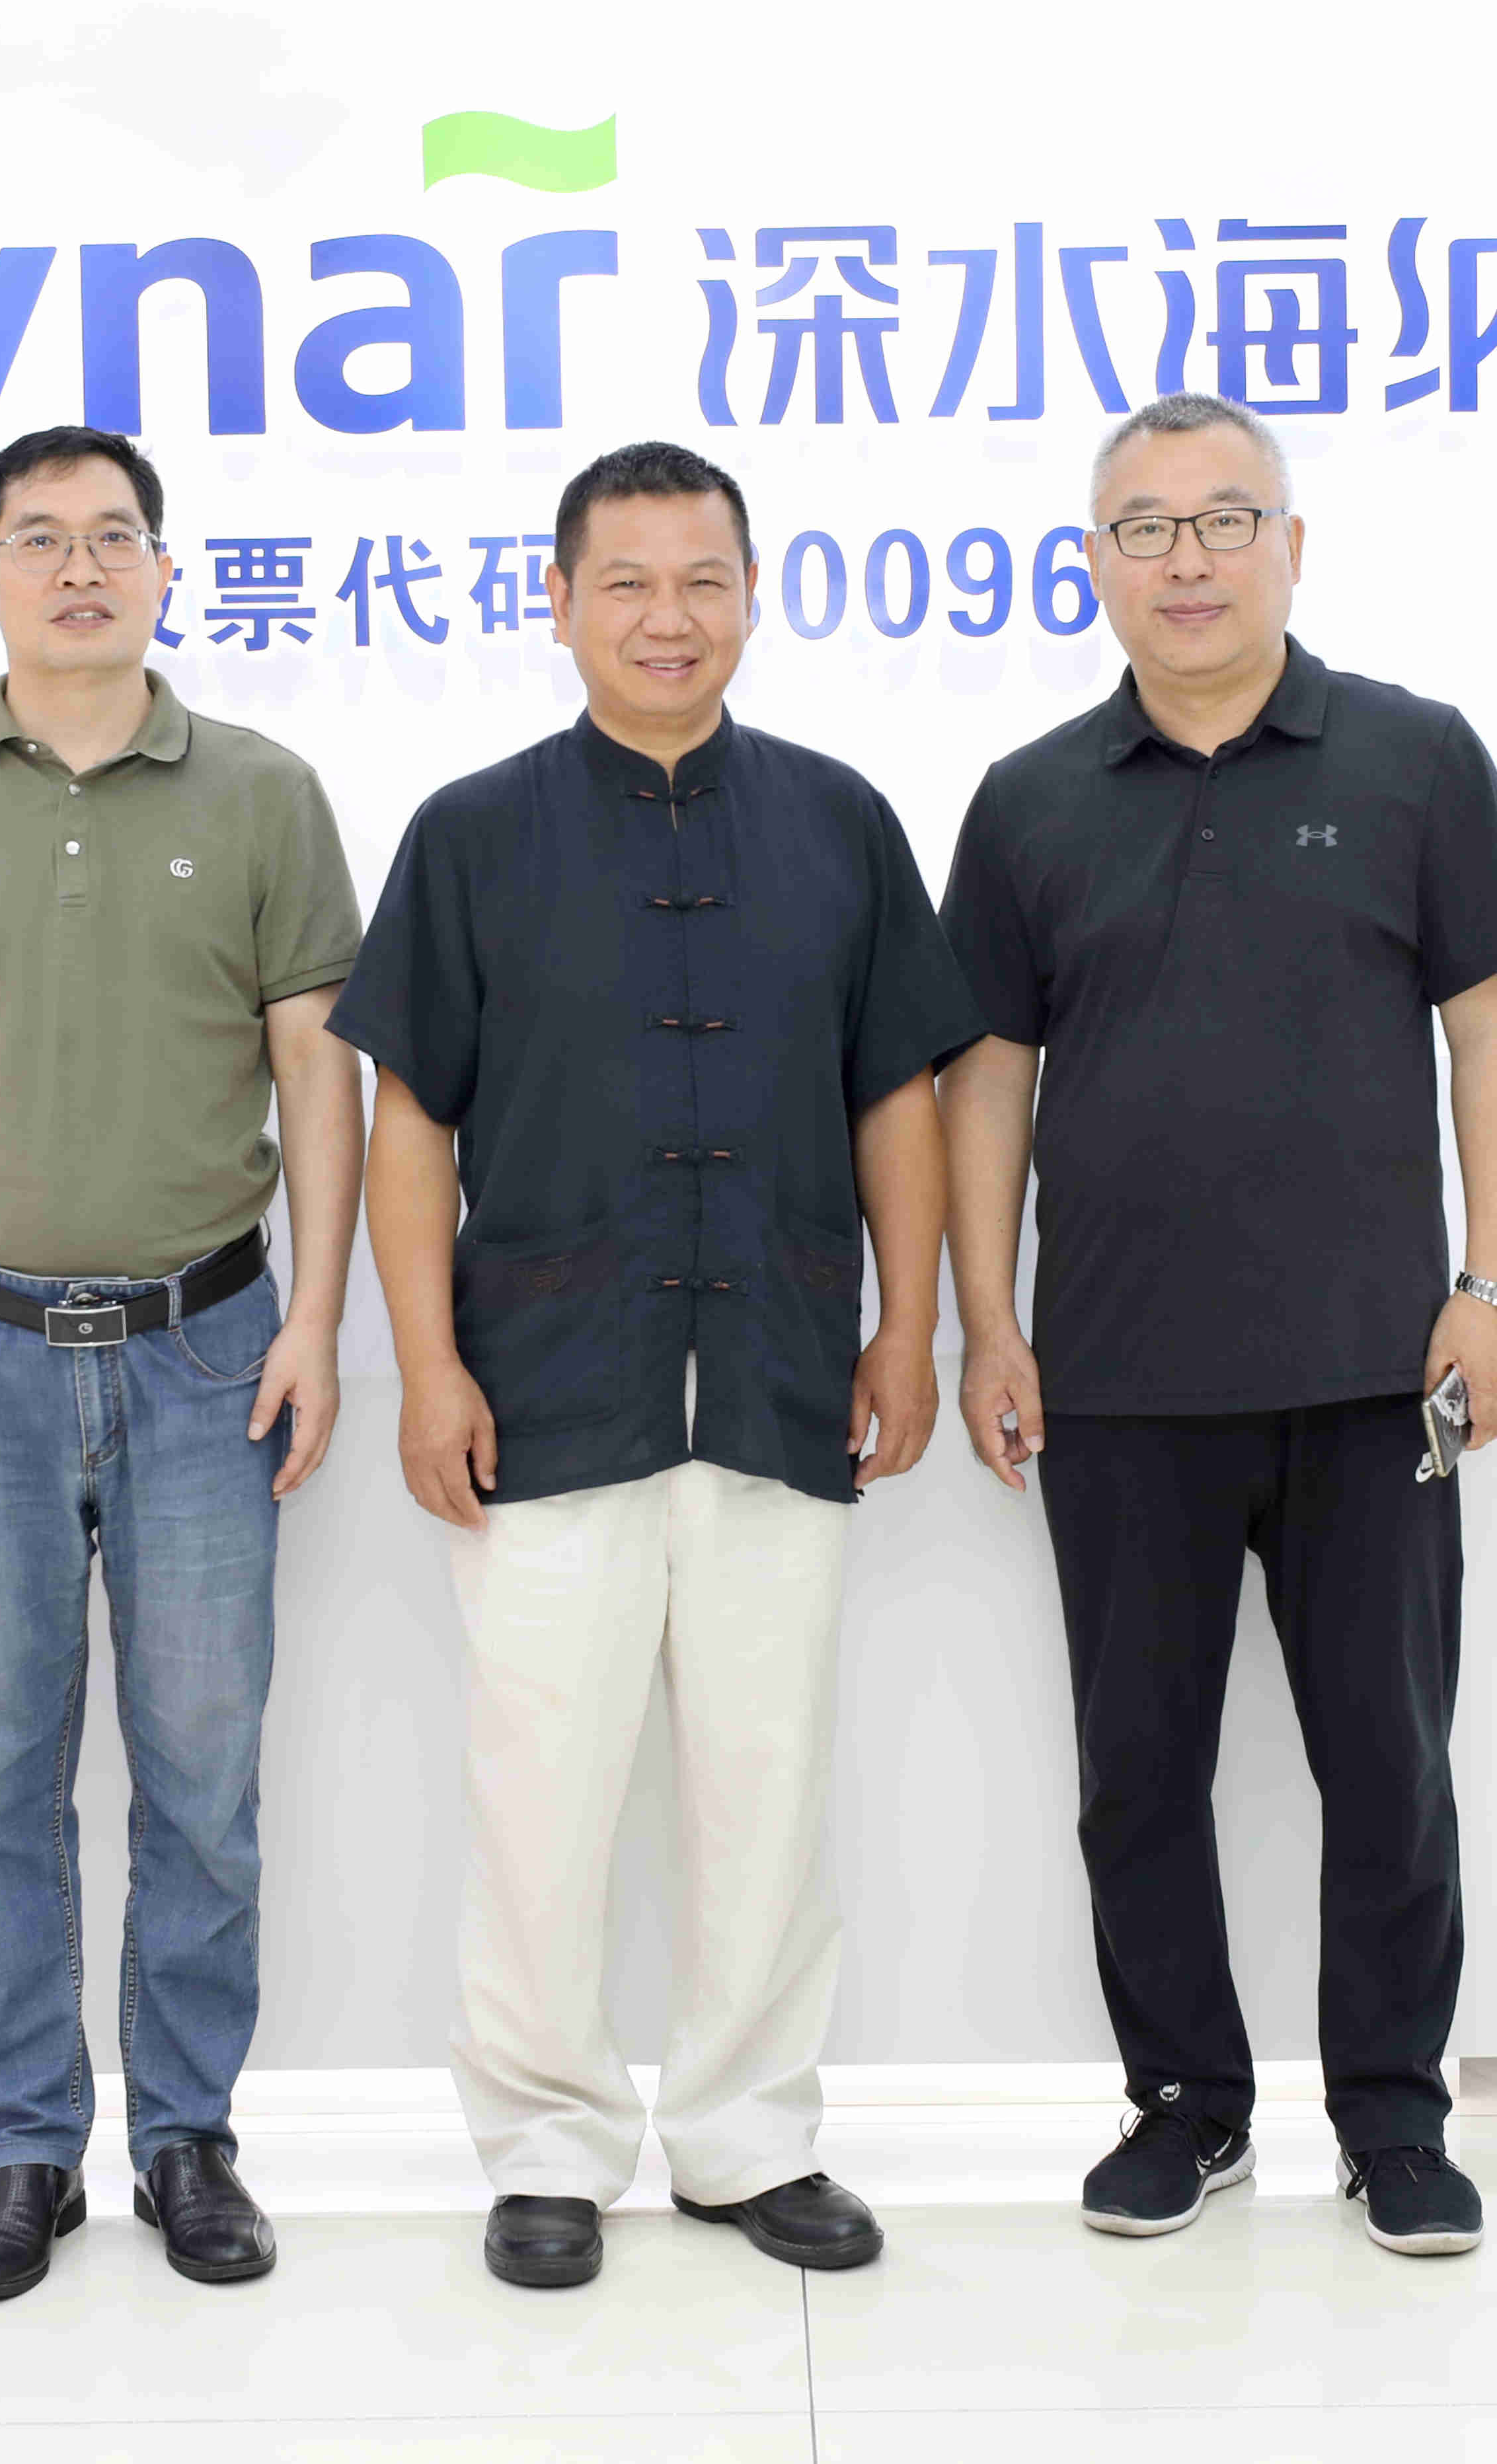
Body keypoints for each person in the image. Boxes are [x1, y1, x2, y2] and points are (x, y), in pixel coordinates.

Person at [327, 441, 982, 2290]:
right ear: (558, 603)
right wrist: (427, 1367)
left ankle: (747, 2136)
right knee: (537, 1796)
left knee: (765, 1789)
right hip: (547, 1385)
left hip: (781, 1374)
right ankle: (545, 2144)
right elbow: (409, 1123)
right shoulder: (472, 832)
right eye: (625, 581)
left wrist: (908, 1327)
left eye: (702, 579)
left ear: (753, 596)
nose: (666, 616)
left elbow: (898, 1097)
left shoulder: (840, 821)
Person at [937, 391, 1497, 2255]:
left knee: (1392, 1767)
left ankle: (1394, 2119)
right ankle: (1185, 2107)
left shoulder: (1417, 758)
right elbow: (987, 1078)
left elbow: (1492, 1032)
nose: (1186, 559)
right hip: (1119, 1379)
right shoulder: (1030, 798)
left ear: (1293, 547)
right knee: (1139, 1775)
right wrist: (988, 1322)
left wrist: (1494, 1287)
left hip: (1378, 1372)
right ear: (1095, 563)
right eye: (1145, 527)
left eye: (1224, 520)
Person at [0, 424, 367, 2300]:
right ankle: (22, 2151)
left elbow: (317, 1066)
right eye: (36, 541)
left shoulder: (266, 792)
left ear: (165, 571)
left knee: (203, 1774)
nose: (78, 569)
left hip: (211, 1350)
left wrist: (318, 1317)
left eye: (114, 537)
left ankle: (188, 2138)